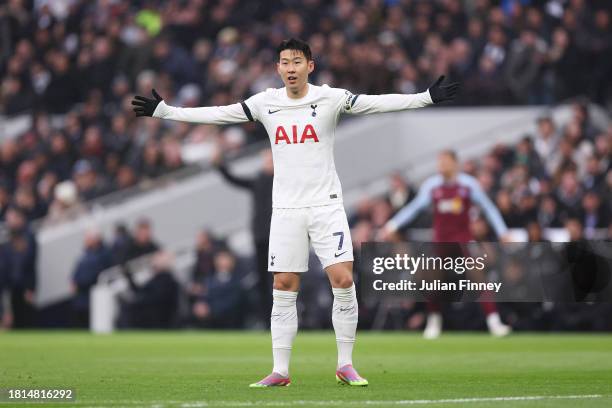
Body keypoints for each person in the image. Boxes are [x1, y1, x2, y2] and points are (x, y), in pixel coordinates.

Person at [132, 38, 458, 387]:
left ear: (310, 66)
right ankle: (280, 371)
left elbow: (375, 104)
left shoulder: (330, 98)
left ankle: (345, 364)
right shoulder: (265, 103)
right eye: (285, 62)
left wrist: (425, 97)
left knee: (343, 280)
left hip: (326, 206)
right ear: (278, 68)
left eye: (297, 62)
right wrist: (166, 111)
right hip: (286, 210)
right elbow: (219, 113)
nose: (290, 68)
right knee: (284, 286)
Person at [381, 150, 512, 338]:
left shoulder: (469, 185)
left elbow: (489, 208)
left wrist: (502, 231)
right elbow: (414, 208)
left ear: (455, 163)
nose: (441, 166)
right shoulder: (432, 186)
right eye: (439, 162)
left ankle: (494, 322)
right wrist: (391, 225)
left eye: (445, 162)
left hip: (464, 241)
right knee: (432, 281)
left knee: (479, 279)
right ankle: (434, 321)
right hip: (441, 242)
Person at [213, 148, 274, 323]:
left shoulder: (283, 181)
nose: (268, 164)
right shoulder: (258, 180)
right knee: (263, 278)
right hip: (260, 235)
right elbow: (234, 179)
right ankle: (266, 318)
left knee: (280, 278)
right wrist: (220, 165)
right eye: (267, 160)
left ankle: (284, 317)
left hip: (279, 236)